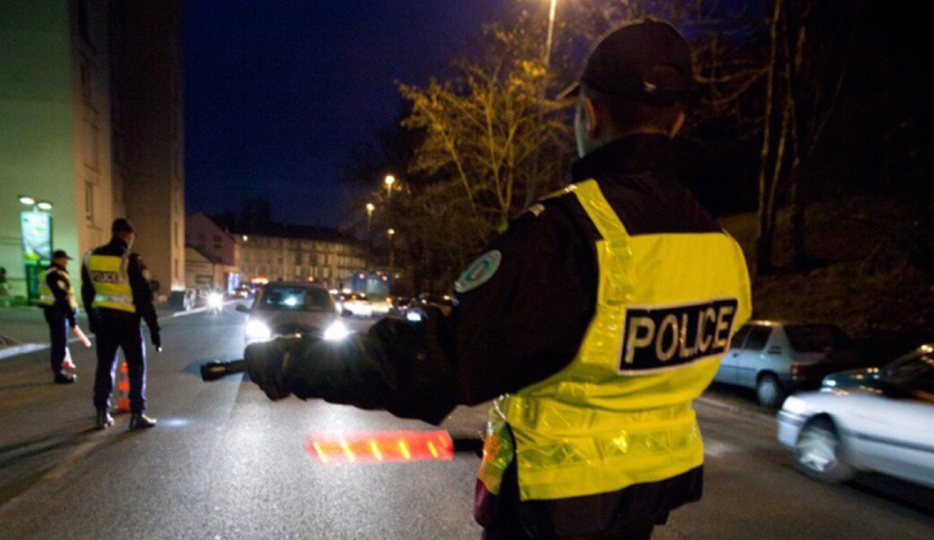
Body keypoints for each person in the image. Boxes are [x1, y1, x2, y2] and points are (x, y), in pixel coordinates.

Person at [244, 19, 752, 539]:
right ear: (679, 119)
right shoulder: (721, 250)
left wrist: (293, 361)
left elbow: (438, 360)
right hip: (640, 506)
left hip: (548, 514)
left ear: (589, 114)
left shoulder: (566, 237)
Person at [82, 218, 162, 430]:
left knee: (105, 366)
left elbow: (87, 292)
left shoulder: (91, 258)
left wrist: (92, 319)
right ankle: (137, 414)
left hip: (103, 321)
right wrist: (154, 330)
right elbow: (143, 299)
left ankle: (101, 413)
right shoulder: (129, 260)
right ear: (127, 237)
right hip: (128, 323)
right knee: (136, 367)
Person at [39, 250, 78, 384]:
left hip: (53, 310)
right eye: (65, 259)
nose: (66, 262)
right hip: (57, 311)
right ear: (58, 259)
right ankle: (58, 373)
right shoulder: (55, 274)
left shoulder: (48, 272)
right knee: (59, 343)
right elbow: (62, 296)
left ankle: (58, 370)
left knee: (58, 341)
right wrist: (71, 315)